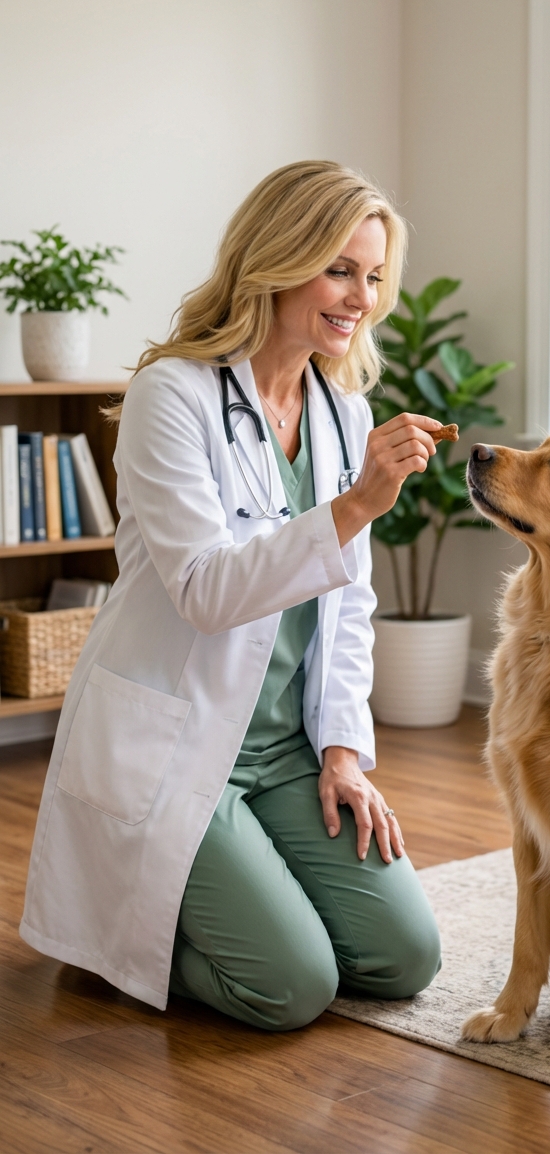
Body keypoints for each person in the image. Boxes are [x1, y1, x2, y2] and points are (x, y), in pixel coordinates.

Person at [20, 161, 443, 1029]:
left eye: (372, 276)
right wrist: (359, 503)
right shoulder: (170, 395)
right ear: (278, 258)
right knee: (292, 988)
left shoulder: (343, 412)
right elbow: (207, 592)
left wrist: (343, 754)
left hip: (288, 748)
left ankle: (243, 896)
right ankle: (123, 938)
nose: (360, 297)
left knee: (405, 957)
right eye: (339, 268)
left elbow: (348, 605)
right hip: (180, 743)